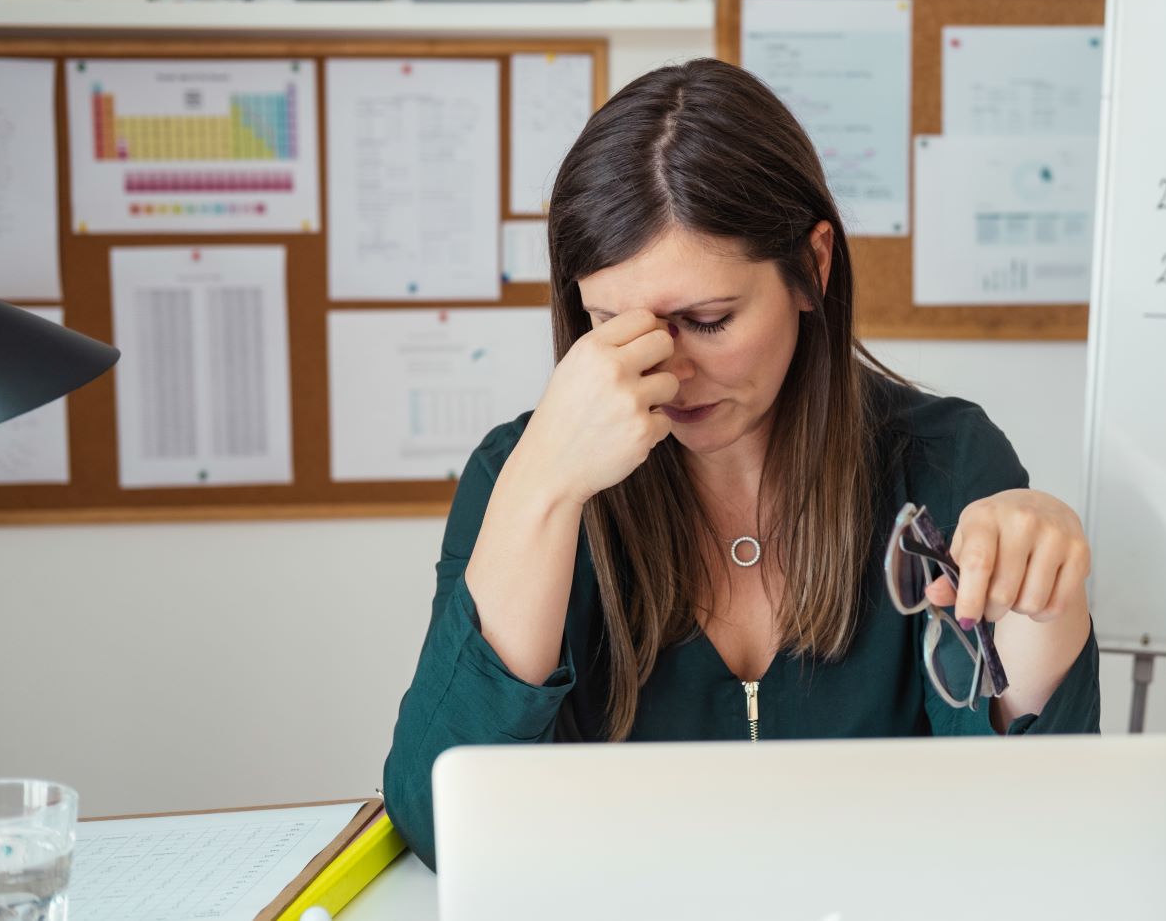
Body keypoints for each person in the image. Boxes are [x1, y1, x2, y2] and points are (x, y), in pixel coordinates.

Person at [383, 59, 1100, 867]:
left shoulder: (941, 462)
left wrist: (1045, 602)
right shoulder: (519, 475)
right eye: (611, 325)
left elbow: (1041, 818)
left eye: (709, 319)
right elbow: (442, 825)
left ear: (813, 267)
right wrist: (545, 489)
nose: (667, 372)